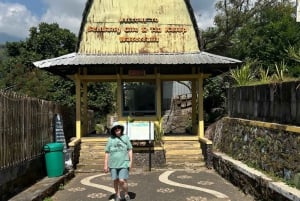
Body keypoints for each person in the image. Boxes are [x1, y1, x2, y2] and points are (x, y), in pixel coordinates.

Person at [104, 122, 133, 201]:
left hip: (124, 162)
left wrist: (131, 162)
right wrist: (105, 165)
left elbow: (130, 150)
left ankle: (126, 194)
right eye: (115, 128)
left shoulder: (125, 137)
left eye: (118, 127)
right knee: (115, 180)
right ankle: (118, 195)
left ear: (121, 129)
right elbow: (107, 152)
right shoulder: (110, 139)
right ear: (113, 130)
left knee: (122, 180)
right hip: (113, 164)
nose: (117, 129)